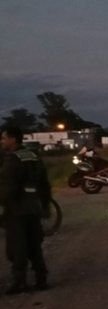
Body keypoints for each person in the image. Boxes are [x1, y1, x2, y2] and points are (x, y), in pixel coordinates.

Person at [0, 126, 52, 294]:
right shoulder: (33, 155)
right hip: (34, 207)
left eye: (4, 138)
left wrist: (3, 204)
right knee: (34, 244)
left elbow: (9, 187)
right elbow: (44, 183)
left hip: (17, 209)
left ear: (13, 139)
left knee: (17, 247)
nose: (2, 141)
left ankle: (19, 281)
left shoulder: (12, 159)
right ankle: (41, 278)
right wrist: (45, 205)